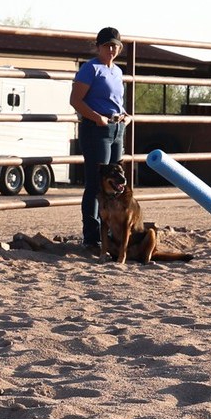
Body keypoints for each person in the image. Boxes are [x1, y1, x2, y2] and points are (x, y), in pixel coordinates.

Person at [70, 26, 130, 253]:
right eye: (107, 45)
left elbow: (115, 99)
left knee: (116, 184)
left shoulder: (117, 71)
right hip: (97, 130)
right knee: (96, 183)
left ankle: (112, 232)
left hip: (117, 128)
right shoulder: (90, 69)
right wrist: (97, 118)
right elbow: (76, 100)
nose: (112, 49)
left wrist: (125, 115)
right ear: (98, 47)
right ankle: (92, 236)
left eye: (115, 46)